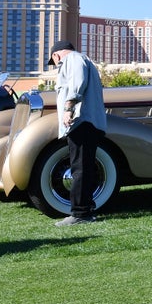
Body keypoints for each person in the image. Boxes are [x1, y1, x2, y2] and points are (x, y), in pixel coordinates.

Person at [46, 40, 107, 226]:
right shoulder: (83, 60)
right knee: (85, 168)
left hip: (81, 122)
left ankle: (80, 214)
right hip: (88, 122)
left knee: (79, 168)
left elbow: (76, 83)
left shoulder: (73, 59)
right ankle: (86, 211)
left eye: (54, 61)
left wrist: (68, 109)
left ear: (56, 55)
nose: (56, 66)